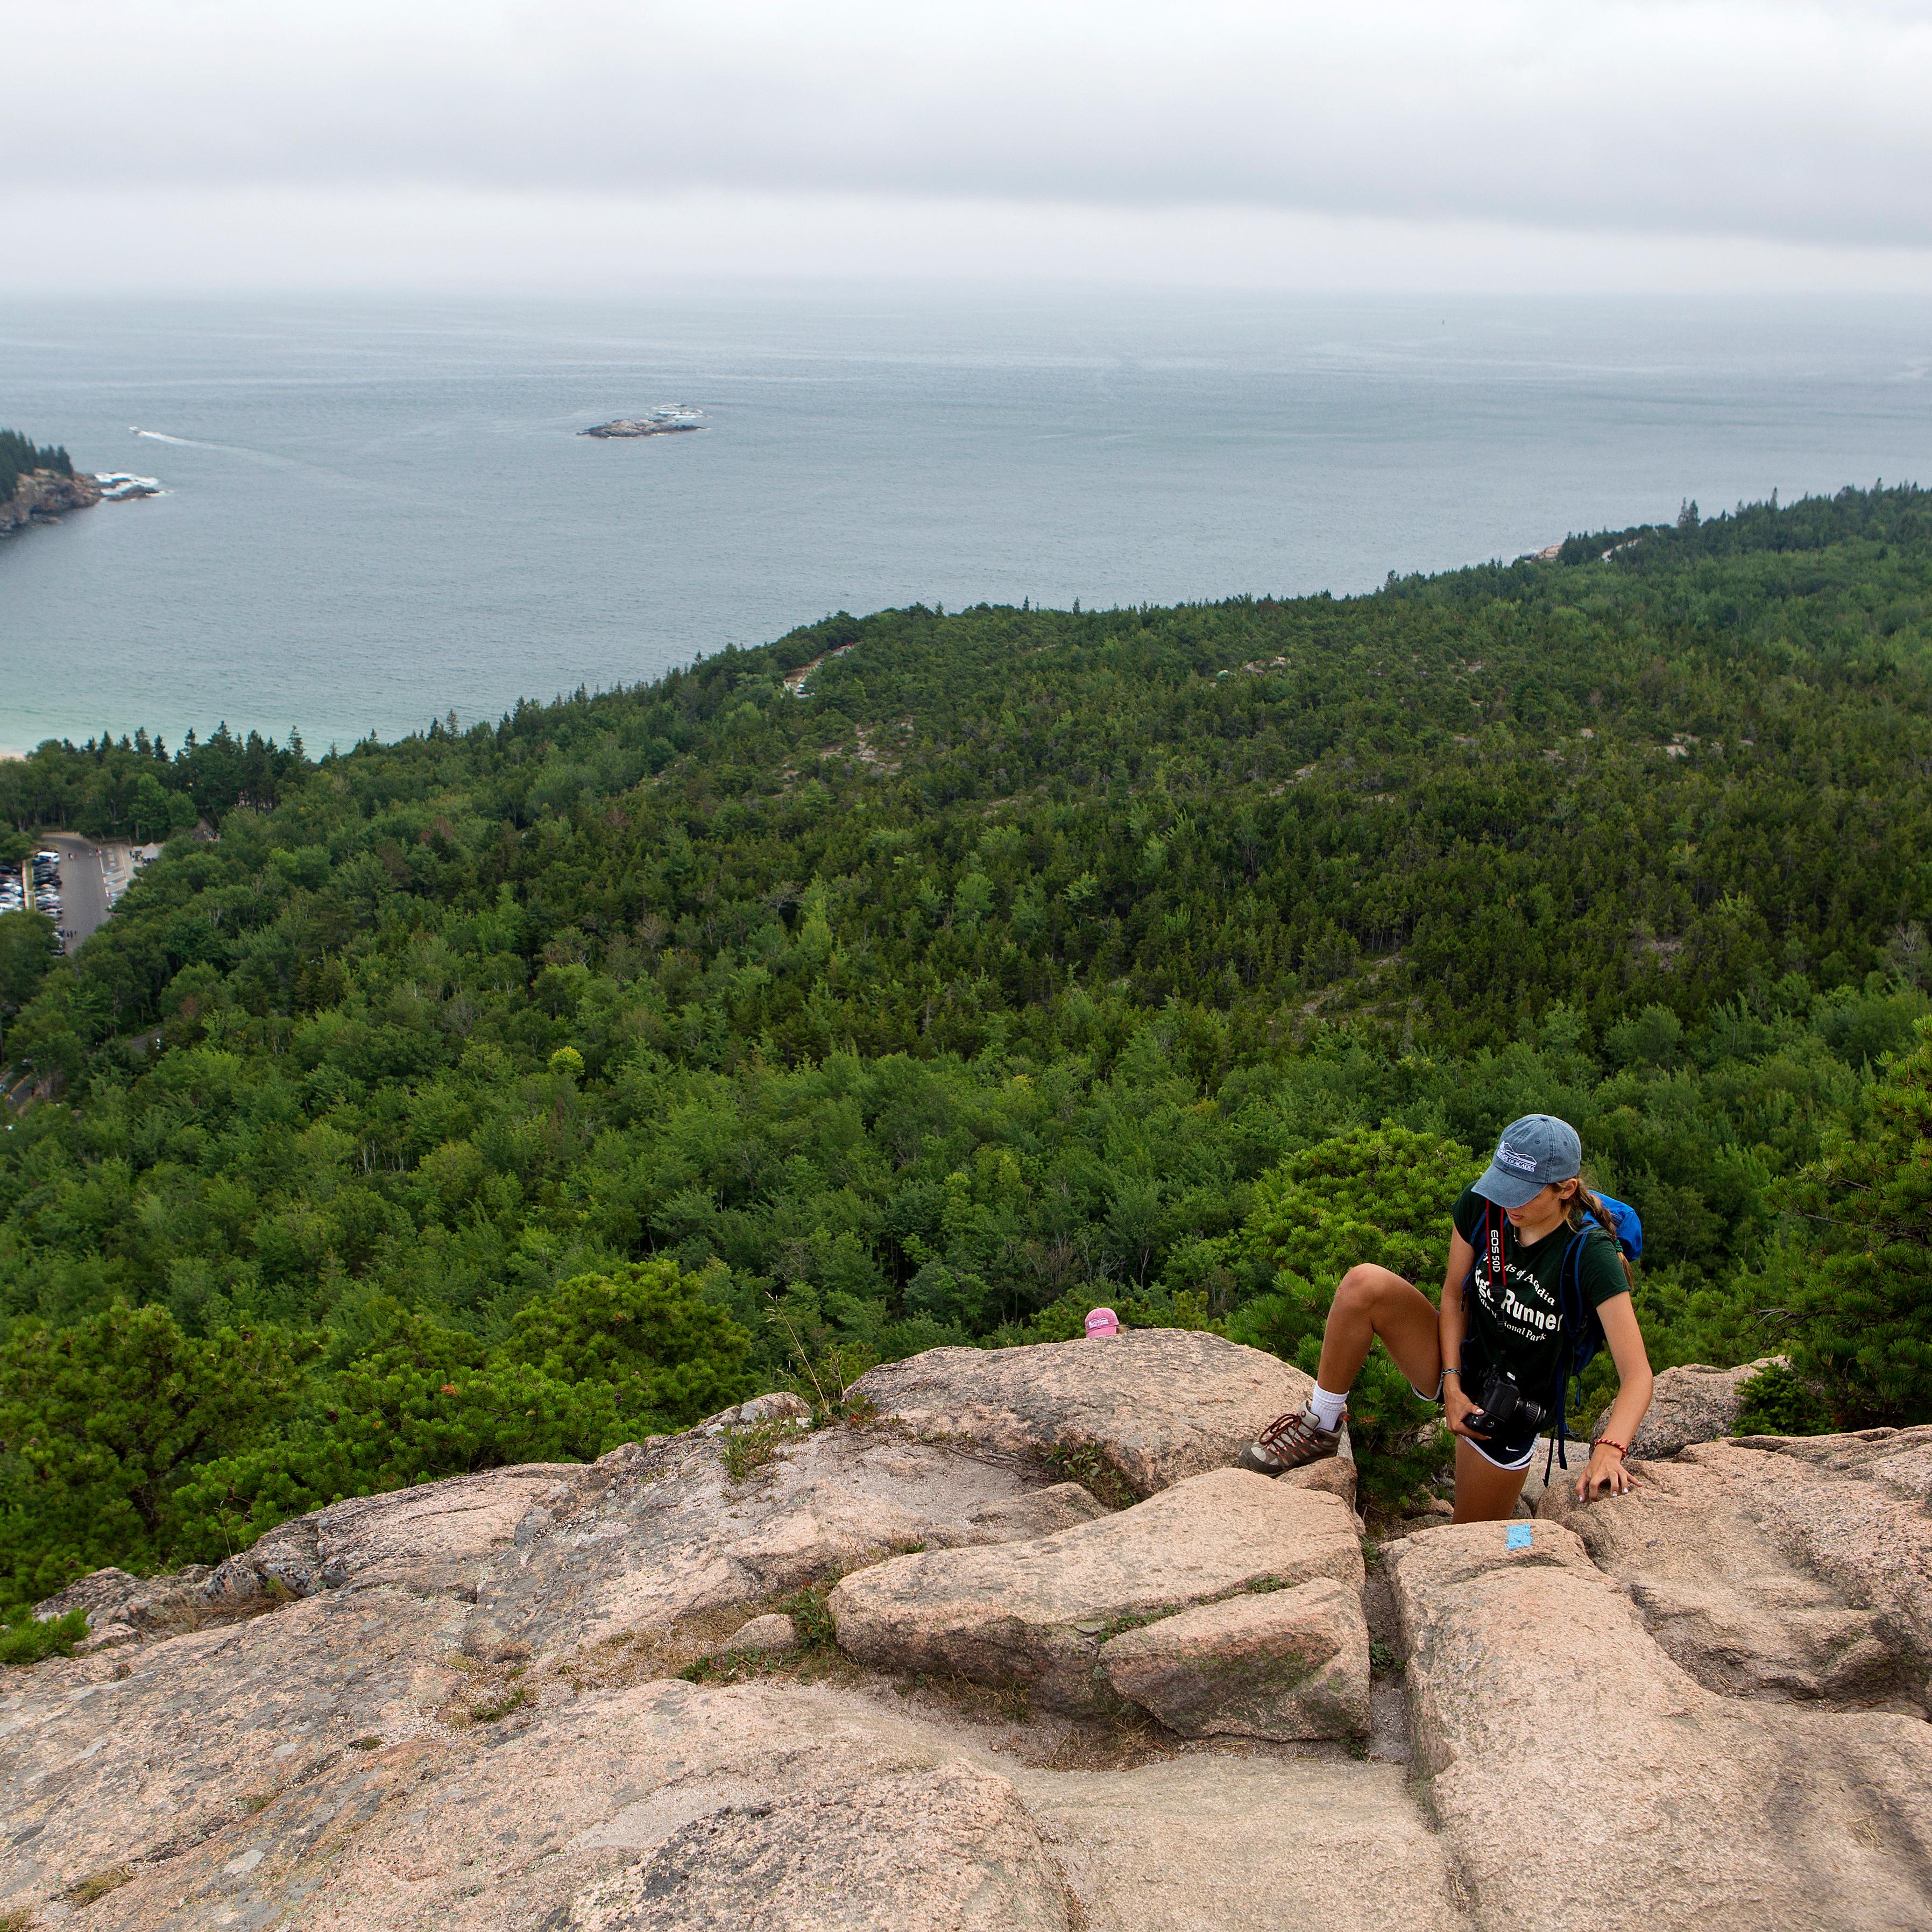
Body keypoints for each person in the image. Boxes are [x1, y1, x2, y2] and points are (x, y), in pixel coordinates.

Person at [1238, 1114, 1654, 1521]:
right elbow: (1454, 1292)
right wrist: (1452, 1384)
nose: (1507, 1201)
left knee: (1464, 1542)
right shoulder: (1482, 1204)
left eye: (1522, 1192)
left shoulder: (1591, 1254)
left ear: (1565, 1189)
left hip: (1507, 1408)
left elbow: (1636, 1374)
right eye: (1502, 1185)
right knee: (1363, 1285)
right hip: (1458, 1355)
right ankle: (1321, 1424)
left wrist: (1608, 1449)